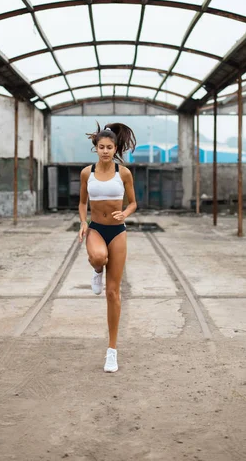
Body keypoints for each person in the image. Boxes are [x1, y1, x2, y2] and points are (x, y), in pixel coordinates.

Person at [78, 122, 137, 373]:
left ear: (115, 149)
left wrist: (125, 213)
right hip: (96, 229)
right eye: (101, 147)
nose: (105, 151)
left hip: (117, 232)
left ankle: (111, 351)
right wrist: (83, 222)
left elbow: (133, 203)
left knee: (113, 293)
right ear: (95, 148)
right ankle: (97, 269)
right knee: (99, 257)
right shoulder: (86, 173)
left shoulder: (123, 173)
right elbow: (82, 203)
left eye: (109, 147)